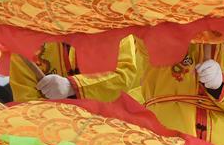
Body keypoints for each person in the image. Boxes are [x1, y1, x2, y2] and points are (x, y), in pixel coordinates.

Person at [139, 36, 224, 145]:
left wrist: (221, 84)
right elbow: (146, 43)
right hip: (167, 130)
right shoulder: (157, 24)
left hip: (223, 142)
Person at [9, 37, 137, 103]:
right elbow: (27, 104)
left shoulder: (113, 24)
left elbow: (124, 74)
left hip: (111, 127)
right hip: (56, 135)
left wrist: (71, 86)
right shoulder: (24, 44)